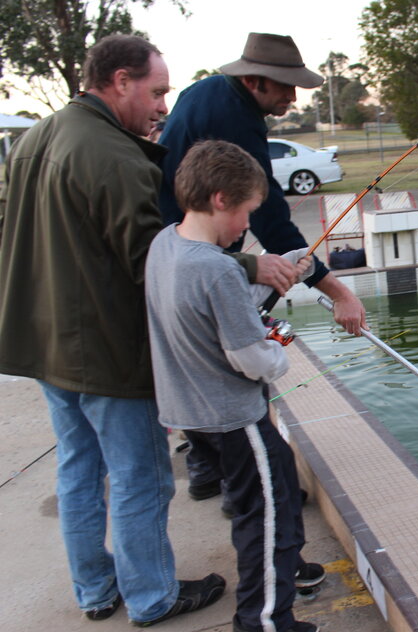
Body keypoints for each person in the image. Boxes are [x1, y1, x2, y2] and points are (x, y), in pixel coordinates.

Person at [0, 34, 226, 626]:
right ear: (120, 81)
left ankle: (96, 589)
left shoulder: (33, 139)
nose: (163, 108)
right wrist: (243, 270)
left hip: (46, 346)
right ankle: (152, 596)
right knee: (140, 476)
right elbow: (156, 263)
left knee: (79, 471)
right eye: (157, 92)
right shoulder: (114, 154)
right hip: (103, 352)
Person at [157, 32, 367, 507]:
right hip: (195, 248)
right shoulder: (233, 116)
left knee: (197, 354)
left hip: (171, 244)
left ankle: (205, 466)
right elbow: (271, 219)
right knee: (226, 360)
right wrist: (338, 293)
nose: (293, 97)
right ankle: (248, 488)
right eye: (286, 87)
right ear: (254, 80)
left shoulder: (206, 92)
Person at [146, 140, 321, 632]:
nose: (246, 226)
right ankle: (262, 621)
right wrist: (279, 351)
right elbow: (253, 360)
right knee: (267, 512)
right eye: (246, 212)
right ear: (221, 199)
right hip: (233, 416)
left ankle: (288, 569)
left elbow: (213, 311)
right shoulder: (218, 269)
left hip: (189, 412)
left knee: (275, 485)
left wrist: (284, 269)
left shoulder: (165, 245)